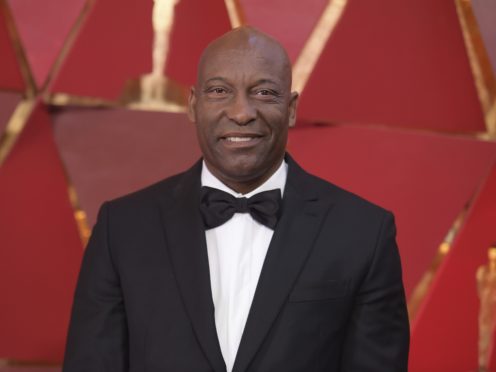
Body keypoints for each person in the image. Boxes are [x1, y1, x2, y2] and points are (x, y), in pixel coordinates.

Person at [63, 26, 409, 372]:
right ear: (193, 105)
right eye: (219, 91)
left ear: (290, 109)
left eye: (263, 92)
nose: (242, 113)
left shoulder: (364, 233)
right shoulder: (122, 230)